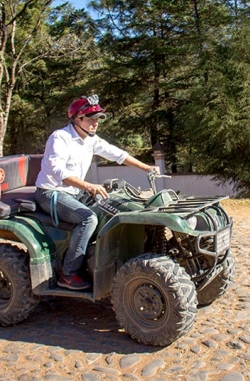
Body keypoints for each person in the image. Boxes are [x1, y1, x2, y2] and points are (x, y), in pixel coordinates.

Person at [34, 95, 160, 290]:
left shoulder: (90, 140)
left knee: (115, 205)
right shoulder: (60, 138)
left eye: (98, 118)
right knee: (88, 219)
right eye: (90, 118)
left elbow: (117, 154)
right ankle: (68, 273)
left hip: (75, 191)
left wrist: (146, 167)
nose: (95, 123)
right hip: (52, 193)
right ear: (77, 119)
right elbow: (60, 174)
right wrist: (89, 186)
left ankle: (102, 257)